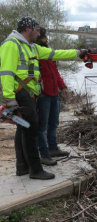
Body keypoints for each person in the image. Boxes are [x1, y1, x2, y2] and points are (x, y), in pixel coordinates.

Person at [0, 17, 88, 180]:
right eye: (37, 30)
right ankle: (35, 170)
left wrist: (78, 53)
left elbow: (55, 54)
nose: (39, 33)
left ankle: (22, 168)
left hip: (29, 94)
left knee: (23, 130)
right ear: (28, 29)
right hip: (21, 94)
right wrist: (10, 101)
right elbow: (6, 73)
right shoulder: (11, 45)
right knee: (31, 131)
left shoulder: (32, 47)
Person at [35, 27, 70, 166]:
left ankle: (53, 148)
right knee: (42, 126)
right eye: (44, 37)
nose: (47, 39)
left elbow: (55, 72)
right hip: (43, 95)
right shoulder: (35, 53)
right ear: (38, 38)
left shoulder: (49, 54)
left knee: (54, 123)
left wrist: (63, 87)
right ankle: (44, 154)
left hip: (54, 93)